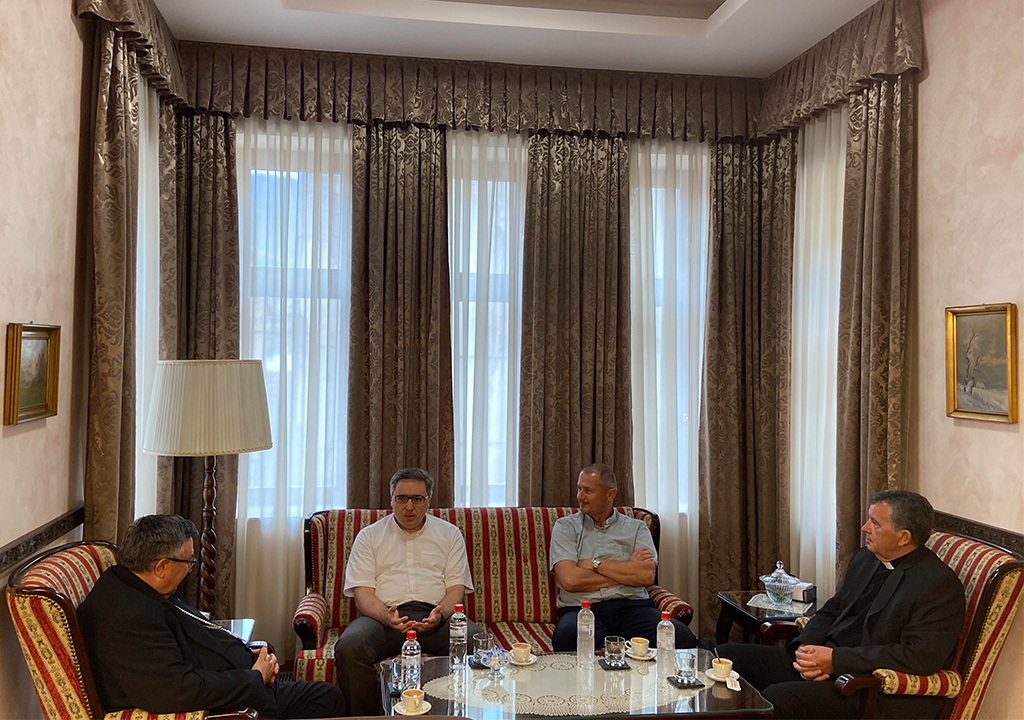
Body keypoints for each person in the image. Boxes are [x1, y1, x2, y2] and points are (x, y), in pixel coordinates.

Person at [719, 489, 966, 720]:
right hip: (830, 662)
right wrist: (807, 647)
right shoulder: (866, 558)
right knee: (726, 657)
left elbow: (918, 656)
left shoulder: (938, 585)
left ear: (904, 537)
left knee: (778, 699)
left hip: (873, 689)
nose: (864, 527)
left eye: (875, 523)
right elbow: (833, 608)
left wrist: (836, 660)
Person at [77, 515, 346, 719]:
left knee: (326, 696)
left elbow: (194, 633)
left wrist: (247, 655)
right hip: (230, 706)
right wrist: (254, 677)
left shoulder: (138, 583)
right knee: (325, 700)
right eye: (189, 562)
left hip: (238, 682)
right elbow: (178, 689)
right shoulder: (128, 619)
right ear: (161, 566)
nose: (191, 569)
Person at [334, 467, 482, 715]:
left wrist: (440, 616)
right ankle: (369, 718)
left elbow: (456, 589)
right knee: (350, 647)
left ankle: (459, 715)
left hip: (436, 620)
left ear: (428, 501)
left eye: (418, 499)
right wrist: (386, 616)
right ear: (391, 500)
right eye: (402, 498)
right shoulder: (369, 536)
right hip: (384, 620)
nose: (409, 506)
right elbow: (363, 594)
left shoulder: (449, 534)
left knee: (475, 642)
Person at [548, 463, 697, 652]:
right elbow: (569, 580)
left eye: (588, 490)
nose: (580, 496)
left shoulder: (637, 528)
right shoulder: (565, 527)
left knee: (681, 636)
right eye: (579, 489)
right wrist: (626, 570)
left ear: (610, 494)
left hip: (632, 608)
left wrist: (595, 564)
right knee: (568, 637)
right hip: (582, 608)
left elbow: (645, 576)